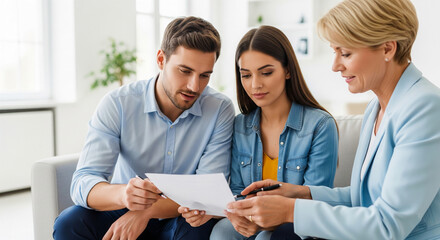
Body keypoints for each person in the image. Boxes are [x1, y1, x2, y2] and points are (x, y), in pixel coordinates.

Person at [226, 0, 440, 239]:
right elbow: (362, 198)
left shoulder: (425, 107)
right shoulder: (375, 109)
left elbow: (387, 224)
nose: (335, 65)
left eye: (345, 53)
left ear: (388, 49)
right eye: (335, 52)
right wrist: (300, 194)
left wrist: (291, 211)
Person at [53, 16, 235, 240]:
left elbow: (207, 192)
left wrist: (146, 212)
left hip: (180, 213)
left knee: (198, 228)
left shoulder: (219, 109)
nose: (194, 86)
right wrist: (124, 195)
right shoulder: (119, 103)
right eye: (184, 71)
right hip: (125, 206)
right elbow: (83, 181)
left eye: (204, 75)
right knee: (69, 223)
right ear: (161, 59)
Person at [178, 25, 338, 240]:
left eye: (266, 72)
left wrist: (263, 223)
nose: (255, 85)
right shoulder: (240, 126)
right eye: (246, 75)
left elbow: (315, 198)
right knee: (222, 231)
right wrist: (236, 215)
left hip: (297, 225)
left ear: (288, 70)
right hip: (252, 220)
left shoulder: (319, 125)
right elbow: (236, 190)